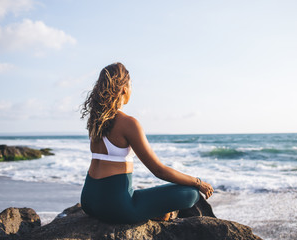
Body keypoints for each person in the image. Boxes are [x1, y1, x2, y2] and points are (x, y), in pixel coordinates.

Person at [80, 62, 214, 224]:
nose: (131, 90)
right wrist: (198, 182)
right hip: (116, 207)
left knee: (143, 196)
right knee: (191, 193)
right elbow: (159, 170)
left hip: (88, 200)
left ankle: (154, 211)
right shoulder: (129, 123)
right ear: (124, 89)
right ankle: (158, 213)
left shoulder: (96, 121)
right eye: (131, 85)